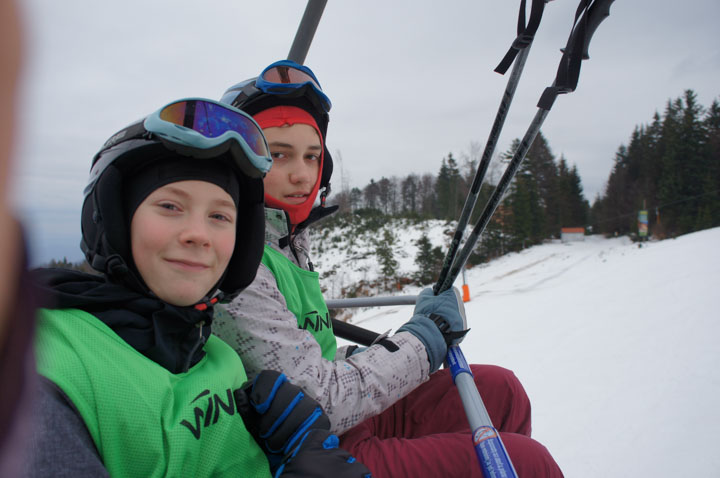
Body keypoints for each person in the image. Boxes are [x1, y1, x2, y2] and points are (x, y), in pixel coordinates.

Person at [214, 60, 564, 477]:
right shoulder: (235, 260)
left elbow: (306, 351)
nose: (301, 174)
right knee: (527, 463)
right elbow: (318, 398)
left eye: (312, 156)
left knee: (501, 391)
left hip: (343, 423)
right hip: (307, 449)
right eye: (279, 155)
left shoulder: (286, 243)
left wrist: (370, 353)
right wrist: (424, 340)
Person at [23, 98, 371, 478]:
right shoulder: (47, 369)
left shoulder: (216, 355)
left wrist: (282, 454)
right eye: (170, 207)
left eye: (219, 215)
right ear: (115, 219)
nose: (198, 234)